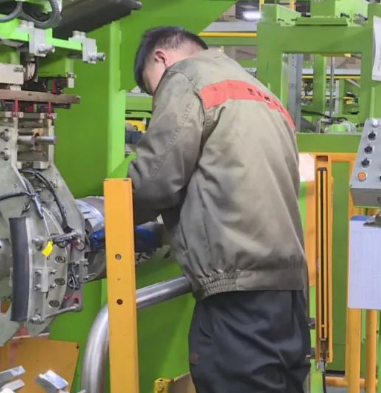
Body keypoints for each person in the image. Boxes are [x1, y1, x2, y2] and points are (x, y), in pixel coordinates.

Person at [128, 26, 310, 392]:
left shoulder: (185, 77)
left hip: (237, 292)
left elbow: (152, 181)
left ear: (161, 59)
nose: (156, 98)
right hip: (288, 290)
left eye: (152, 89)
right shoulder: (262, 93)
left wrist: (108, 217)